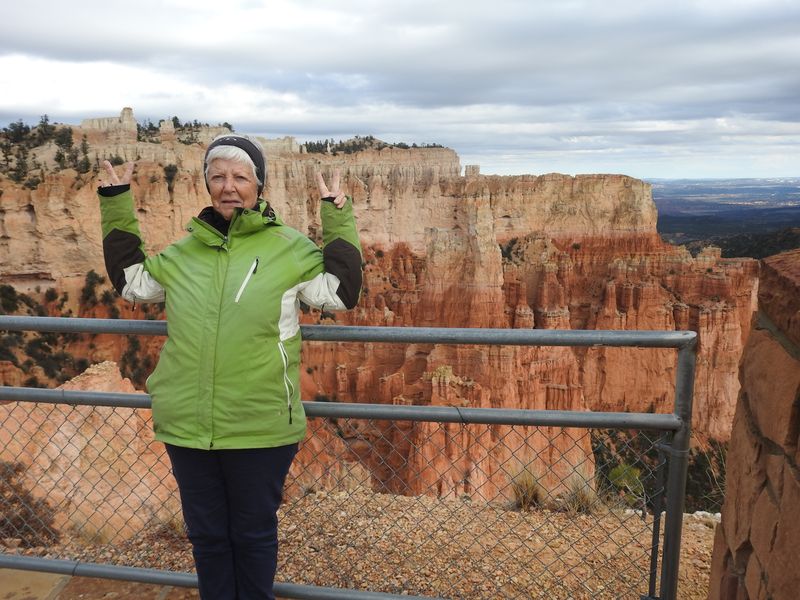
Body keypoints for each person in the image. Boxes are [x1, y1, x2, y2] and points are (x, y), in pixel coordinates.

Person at [97, 133, 362, 599]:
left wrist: (337, 215)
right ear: (206, 184)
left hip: (259, 423)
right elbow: (132, 283)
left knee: (252, 535)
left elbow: (341, 293)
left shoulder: (289, 248)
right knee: (207, 538)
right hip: (188, 425)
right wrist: (117, 203)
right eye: (217, 176)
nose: (229, 186)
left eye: (240, 176)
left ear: (259, 185)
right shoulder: (183, 253)